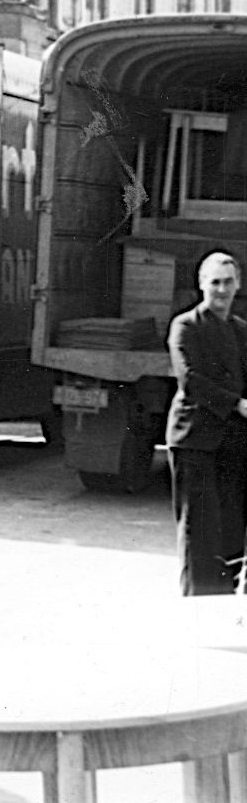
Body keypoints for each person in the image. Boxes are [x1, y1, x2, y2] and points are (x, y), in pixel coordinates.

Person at [166, 251, 247, 595]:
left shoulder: (241, 330)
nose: (221, 290)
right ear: (201, 286)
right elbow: (191, 380)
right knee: (198, 530)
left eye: (228, 282)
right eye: (215, 282)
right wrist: (238, 404)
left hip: (233, 441)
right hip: (194, 439)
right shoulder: (186, 326)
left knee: (231, 527)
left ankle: (226, 602)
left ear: (238, 284)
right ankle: (198, 609)